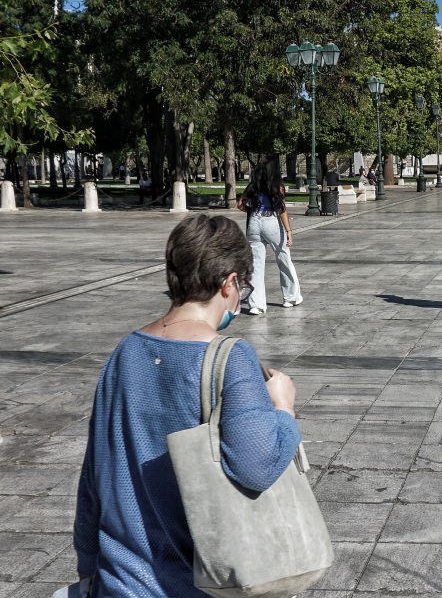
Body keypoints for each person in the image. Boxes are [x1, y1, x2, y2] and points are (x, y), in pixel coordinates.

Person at [72, 214, 301, 596]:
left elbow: (95, 470)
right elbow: (257, 466)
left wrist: (86, 561)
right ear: (229, 282)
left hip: (120, 582)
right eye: (242, 285)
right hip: (194, 585)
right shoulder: (232, 358)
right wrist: (284, 408)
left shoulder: (124, 350)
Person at [237, 158, 303, 313]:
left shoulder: (252, 186)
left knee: (256, 265)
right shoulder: (277, 187)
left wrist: (251, 212)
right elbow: (282, 209)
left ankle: (256, 305)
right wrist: (288, 231)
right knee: (283, 258)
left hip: (254, 223)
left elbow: (240, 204)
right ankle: (291, 297)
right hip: (270, 221)